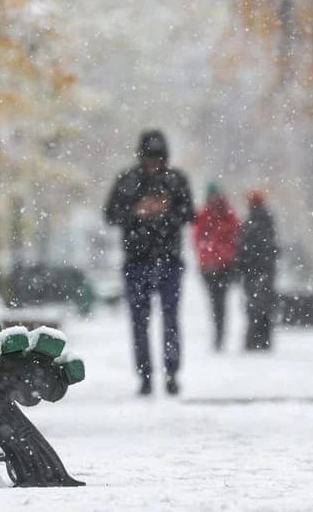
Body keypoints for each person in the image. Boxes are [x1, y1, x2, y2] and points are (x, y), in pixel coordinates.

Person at [103, 130, 195, 396]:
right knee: (139, 322)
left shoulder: (176, 180)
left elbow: (189, 213)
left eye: (158, 159)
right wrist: (136, 213)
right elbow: (110, 214)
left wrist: (165, 213)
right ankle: (145, 375)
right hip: (137, 262)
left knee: (170, 319)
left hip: (169, 261)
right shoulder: (127, 180)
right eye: (149, 159)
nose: (153, 165)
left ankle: (171, 373)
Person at [191, 182, 241, 351]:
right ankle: (218, 334)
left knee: (220, 302)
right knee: (216, 302)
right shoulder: (206, 215)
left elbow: (235, 238)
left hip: (223, 266)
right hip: (209, 267)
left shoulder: (227, 216)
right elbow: (198, 239)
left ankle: (220, 335)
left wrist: (219, 254)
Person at [239, 190, 278, 351]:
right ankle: (264, 339)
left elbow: (245, 248)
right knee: (265, 303)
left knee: (254, 304)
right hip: (266, 269)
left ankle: (254, 338)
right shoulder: (268, 221)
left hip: (253, 270)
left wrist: (242, 264)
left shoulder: (251, 223)